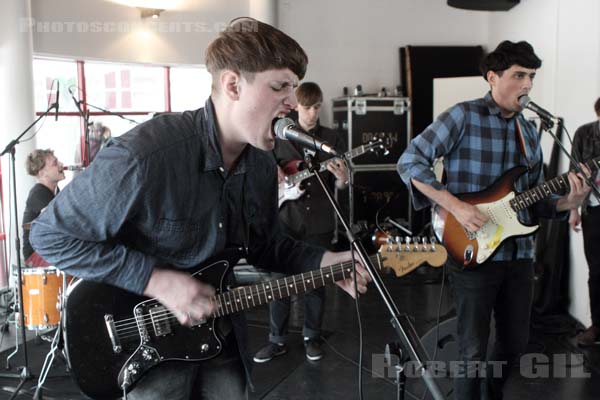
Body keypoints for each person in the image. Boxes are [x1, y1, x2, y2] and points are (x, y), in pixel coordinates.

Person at [30, 17, 369, 400]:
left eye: (293, 88)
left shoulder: (260, 162)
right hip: (148, 353)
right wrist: (154, 280)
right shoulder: (147, 155)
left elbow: (267, 245)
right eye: (280, 87)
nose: (292, 103)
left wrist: (323, 261)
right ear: (233, 85)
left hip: (221, 340)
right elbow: (49, 235)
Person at [397, 40, 590, 400]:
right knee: (471, 350)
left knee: (515, 345)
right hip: (472, 250)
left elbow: (537, 201)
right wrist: (453, 205)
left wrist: (569, 200)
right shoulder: (462, 116)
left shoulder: (530, 133)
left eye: (531, 76)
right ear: (492, 77)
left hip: (518, 256)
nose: (528, 85)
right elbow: (410, 161)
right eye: (519, 75)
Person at [253, 82, 348, 363]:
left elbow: (341, 183)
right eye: (307, 108)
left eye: (317, 107)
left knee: (315, 283)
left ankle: (312, 336)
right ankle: (277, 340)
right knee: (279, 283)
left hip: (320, 219)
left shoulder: (331, 139)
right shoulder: (282, 135)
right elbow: (261, 166)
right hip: (285, 220)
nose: (312, 113)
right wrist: (275, 172)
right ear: (297, 107)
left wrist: (343, 178)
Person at [569, 97, 600, 347]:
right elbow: (573, 174)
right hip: (594, 210)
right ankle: (597, 326)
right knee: (597, 270)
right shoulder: (584, 134)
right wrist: (573, 210)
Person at [22, 149, 65, 267]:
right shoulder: (38, 193)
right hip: (37, 255)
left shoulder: (55, 192)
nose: (61, 164)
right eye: (55, 163)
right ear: (42, 173)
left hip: (49, 250)